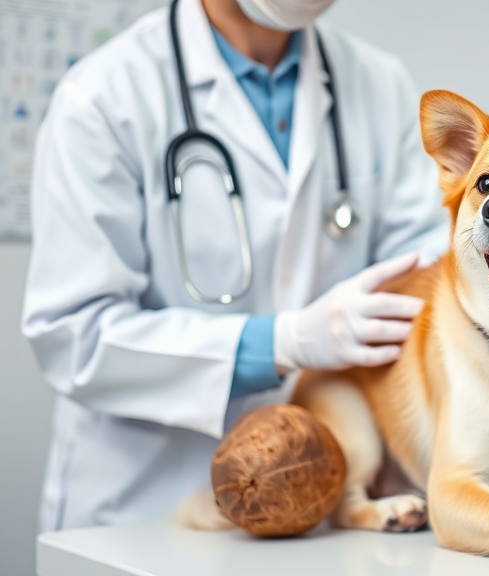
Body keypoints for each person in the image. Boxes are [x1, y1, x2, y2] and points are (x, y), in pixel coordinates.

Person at [21, 0, 447, 531]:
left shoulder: (378, 83)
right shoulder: (104, 98)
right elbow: (74, 335)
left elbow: (432, 272)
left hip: (326, 500)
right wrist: (279, 344)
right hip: (144, 508)